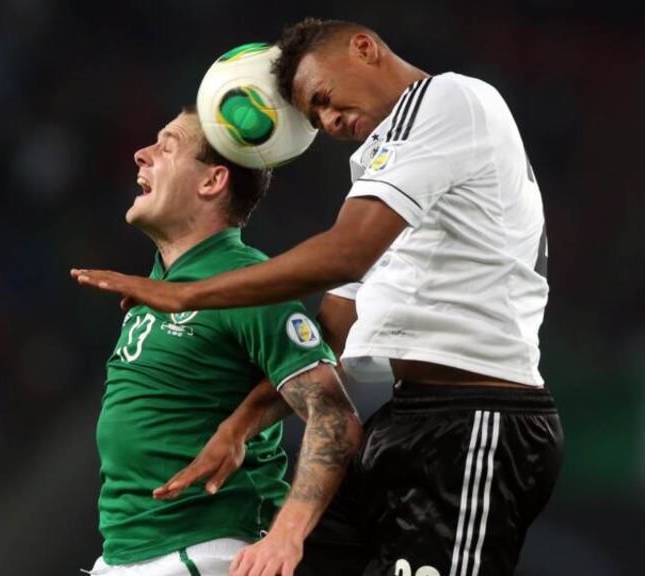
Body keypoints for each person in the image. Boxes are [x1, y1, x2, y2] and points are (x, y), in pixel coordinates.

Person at [72, 18, 563, 576]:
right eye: (314, 117)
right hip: (391, 420)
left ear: (365, 48)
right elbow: (333, 331)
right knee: (274, 561)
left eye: (324, 99)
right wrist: (241, 424)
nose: (329, 122)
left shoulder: (451, 99)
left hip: (472, 423)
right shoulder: (383, 172)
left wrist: (189, 293)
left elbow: (346, 253)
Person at [79, 108, 361, 576]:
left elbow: (334, 413)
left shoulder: (246, 283)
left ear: (211, 181)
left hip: (202, 552)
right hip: (128, 555)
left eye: (166, 147)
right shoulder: (157, 287)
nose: (140, 155)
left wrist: (286, 535)